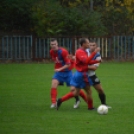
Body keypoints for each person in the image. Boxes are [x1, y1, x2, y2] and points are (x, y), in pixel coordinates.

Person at [56, 38, 101, 110]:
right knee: (89, 91)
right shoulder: (80, 52)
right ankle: (90, 107)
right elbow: (86, 61)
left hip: (79, 74)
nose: (89, 44)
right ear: (83, 44)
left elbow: (87, 62)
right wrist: (95, 53)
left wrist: (96, 61)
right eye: (87, 43)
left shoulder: (84, 51)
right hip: (82, 74)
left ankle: (61, 100)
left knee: (76, 92)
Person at [49, 38, 86, 108]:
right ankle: (54, 103)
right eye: (52, 44)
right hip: (59, 73)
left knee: (74, 89)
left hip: (68, 73)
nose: (53, 45)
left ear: (57, 44)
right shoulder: (51, 52)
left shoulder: (63, 51)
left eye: (54, 44)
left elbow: (68, 64)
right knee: (54, 84)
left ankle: (81, 100)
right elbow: (58, 61)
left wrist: (59, 69)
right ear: (50, 45)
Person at [87, 41, 111, 107]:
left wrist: (84, 67)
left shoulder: (98, 55)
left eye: (93, 45)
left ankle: (104, 104)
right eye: (90, 45)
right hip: (82, 75)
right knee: (76, 91)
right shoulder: (85, 52)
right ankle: (78, 100)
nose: (91, 47)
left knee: (100, 89)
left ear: (96, 46)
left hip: (92, 75)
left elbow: (94, 68)